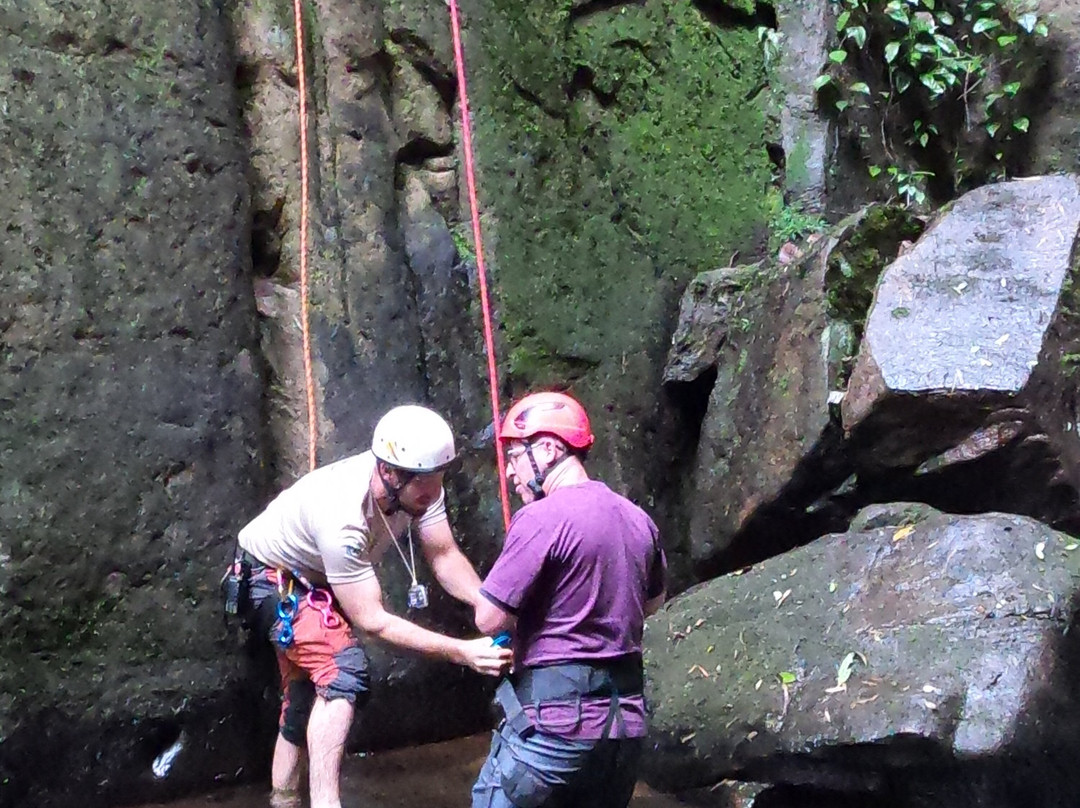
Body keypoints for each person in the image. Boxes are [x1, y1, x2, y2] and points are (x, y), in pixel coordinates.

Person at [235, 404, 513, 808]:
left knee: (303, 694)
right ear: (389, 472)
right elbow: (373, 621)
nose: (433, 491)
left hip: (315, 578)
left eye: (439, 478)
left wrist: (489, 604)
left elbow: (443, 554)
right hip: (270, 578)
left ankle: (283, 799)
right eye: (424, 482)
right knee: (342, 670)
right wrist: (463, 651)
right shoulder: (342, 514)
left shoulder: (422, 487)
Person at [471, 391, 667, 808]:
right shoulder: (638, 519)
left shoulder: (541, 518)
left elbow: (488, 618)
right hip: (621, 731)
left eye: (515, 456)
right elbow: (652, 602)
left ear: (548, 449)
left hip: (556, 728)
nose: (510, 470)